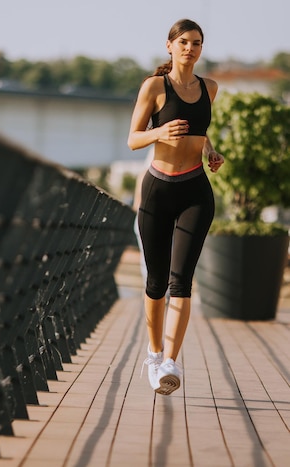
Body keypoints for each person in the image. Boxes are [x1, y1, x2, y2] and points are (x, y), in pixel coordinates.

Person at [127, 18, 224, 395]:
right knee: (156, 282)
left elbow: (200, 128)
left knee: (181, 281)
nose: (190, 48)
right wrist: (158, 132)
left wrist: (210, 151)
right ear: (170, 46)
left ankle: (170, 361)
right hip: (158, 191)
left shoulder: (209, 88)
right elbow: (133, 138)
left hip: (196, 191)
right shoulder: (154, 87)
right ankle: (153, 354)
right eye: (183, 42)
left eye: (197, 43)